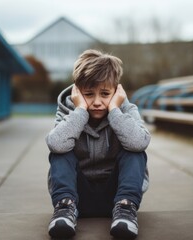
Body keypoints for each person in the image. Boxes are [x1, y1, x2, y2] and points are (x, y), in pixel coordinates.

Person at [46, 49, 151, 239]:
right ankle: (63, 209)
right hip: (77, 198)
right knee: (60, 148)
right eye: (88, 94)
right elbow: (56, 144)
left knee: (135, 150)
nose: (96, 102)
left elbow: (140, 142)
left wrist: (114, 110)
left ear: (117, 91)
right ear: (77, 90)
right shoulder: (68, 110)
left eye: (104, 93)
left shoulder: (126, 109)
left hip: (117, 198)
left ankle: (126, 212)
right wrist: (79, 111)